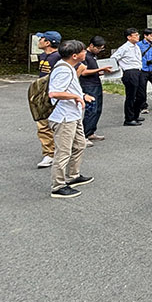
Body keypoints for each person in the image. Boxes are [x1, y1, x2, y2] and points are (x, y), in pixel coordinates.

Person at [48, 40, 94, 199]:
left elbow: (69, 88)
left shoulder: (68, 67)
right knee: (63, 152)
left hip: (73, 115)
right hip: (64, 117)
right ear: (75, 56)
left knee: (80, 144)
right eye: (83, 51)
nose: (85, 52)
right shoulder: (63, 70)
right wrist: (76, 96)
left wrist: (81, 96)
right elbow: (54, 93)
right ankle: (58, 185)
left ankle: (73, 175)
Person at [33, 30, 62, 168]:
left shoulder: (59, 57)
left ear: (48, 42)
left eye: (41, 39)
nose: (38, 41)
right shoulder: (43, 55)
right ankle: (48, 154)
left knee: (58, 124)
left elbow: (78, 69)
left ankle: (62, 152)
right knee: (42, 124)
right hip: (42, 95)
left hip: (55, 95)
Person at [111, 28, 144, 126]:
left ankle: (135, 114)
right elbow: (114, 58)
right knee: (131, 96)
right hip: (130, 71)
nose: (138, 37)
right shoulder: (124, 48)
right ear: (129, 37)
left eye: (138, 35)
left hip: (138, 70)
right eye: (135, 35)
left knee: (141, 95)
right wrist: (117, 69)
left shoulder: (136, 46)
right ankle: (129, 118)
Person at [78, 36, 108, 143]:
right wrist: (100, 69)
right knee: (91, 110)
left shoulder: (93, 56)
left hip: (96, 83)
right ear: (91, 45)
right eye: (98, 48)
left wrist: (100, 71)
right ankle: (83, 135)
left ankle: (91, 132)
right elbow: (84, 72)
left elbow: (93, 70)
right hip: (88, 85)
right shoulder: (84, 56)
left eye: (101, 49)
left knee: (98, 109)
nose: (99, 50)